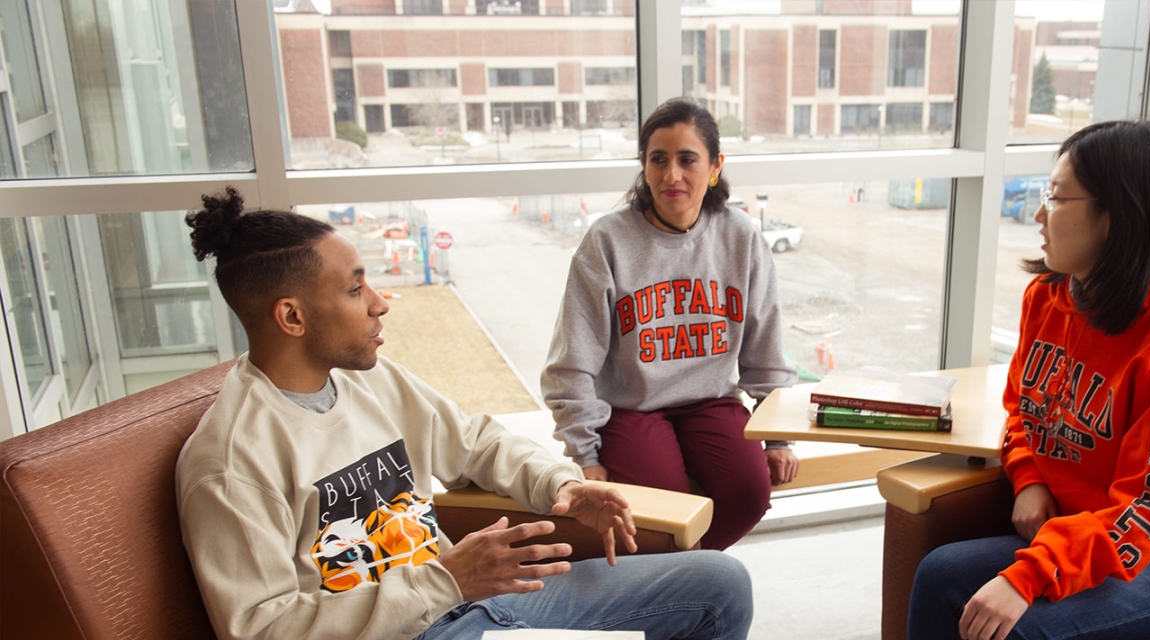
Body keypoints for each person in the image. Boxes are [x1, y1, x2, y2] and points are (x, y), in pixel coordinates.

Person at [176, 187, 753, 640]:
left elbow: (477, 444)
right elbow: (263, 628)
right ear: (291, 318)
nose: (380, 302)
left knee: (720, 583)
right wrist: (447, 579)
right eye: (354, 291)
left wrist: (563, 485)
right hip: (418, 625)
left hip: (474, 602)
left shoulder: (369, 380)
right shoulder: (231, 462)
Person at [908, 120, 1150, 640]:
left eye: (1057, 199)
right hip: (1076, 533)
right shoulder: (1048, 295)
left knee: (1021, 633)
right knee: (940, 574)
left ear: (1118, 215)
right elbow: (1020, 404)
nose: (1040, 215)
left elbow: (1149, 507)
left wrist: (1031, 575)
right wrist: (1029, 477)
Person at [542, 97, 799, 551]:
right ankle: (691, 581)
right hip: (631, 409)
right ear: (642, 164)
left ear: (715, 166)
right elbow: (572, 362)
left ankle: (688, 570)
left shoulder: (740, 237)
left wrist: (778, 437)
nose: (671, 175)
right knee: (664, 505)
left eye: (687, 160)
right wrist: (584, 453)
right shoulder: (607, 241)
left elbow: (766, 348)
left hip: (711, 402)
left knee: (750, 492)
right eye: (658, 159)